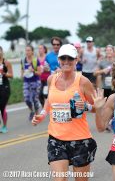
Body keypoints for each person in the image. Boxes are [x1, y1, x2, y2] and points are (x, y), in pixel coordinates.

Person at [32, 44, 97, 181]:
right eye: (63, 58)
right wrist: (42, 114)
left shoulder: (83, 82)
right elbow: (49, 101)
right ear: (58, 59)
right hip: (56, 139)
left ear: (76, 60)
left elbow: (96, 107)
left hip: (80, 140)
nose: (66, 61)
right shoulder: (51, 79)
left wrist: (85, 106)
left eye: (70, 58)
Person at [21, 45, 42, 121]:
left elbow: (39, 73)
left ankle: (37, 115)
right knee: (26, 99)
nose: (27, 52)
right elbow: (22, 71)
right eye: (26, 50)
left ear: (32, 51)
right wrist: (23, 74)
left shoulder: (35, 60)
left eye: (29, 50)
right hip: (26, 81)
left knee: (35, 99)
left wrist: (33, 70)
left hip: (35, 81)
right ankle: (32, 111)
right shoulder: (23, 61)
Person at [0, 46, 13, 133]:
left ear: (2, 51)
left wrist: (4, 73)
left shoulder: (6, 63)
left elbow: (11, 75)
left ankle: (4, 126)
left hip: (5, 87)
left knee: (2, 107)